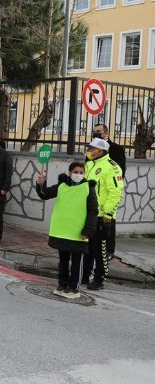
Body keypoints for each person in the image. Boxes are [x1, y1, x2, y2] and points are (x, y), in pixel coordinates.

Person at [36, 162, 97, 300]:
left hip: (78, 233)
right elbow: (44, 194)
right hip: (61, 230)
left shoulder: (88, 187)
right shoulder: (61, 186)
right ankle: (62, 284)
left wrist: (88, 230)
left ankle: (74, 288)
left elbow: (93, 212)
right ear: (70, 172)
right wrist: (40, 184)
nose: (78, 174)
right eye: (76, 171)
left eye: (81, 172)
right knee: (63, 260)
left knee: (77, 261)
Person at [82, 138, 125, 290]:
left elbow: (116, 192)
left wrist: (108, 213)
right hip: (88, 214)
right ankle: (85, 276)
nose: (88, 151)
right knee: (86, 248)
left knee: (99, 250)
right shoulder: (88, 165)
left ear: (99, 151)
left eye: (91, 148)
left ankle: (99, 279)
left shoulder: (112, 167)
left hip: (102, 216)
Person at [91, 123, 125, 260]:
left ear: (106, 133)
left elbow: (121, 170)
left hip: (109, 190)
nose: (96, 134)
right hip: (94, 194)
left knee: (109, 222)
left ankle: (109, 251)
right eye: (94, 131)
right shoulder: (92, 148)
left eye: (98, 131)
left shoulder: (116, 149)